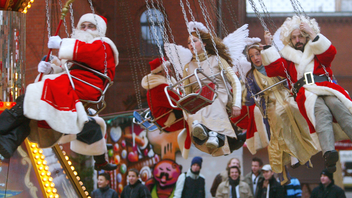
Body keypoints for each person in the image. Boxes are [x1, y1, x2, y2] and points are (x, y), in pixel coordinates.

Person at [0, 13, 118, 170]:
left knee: (36, 92)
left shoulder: (104, 45)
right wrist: (51, 69)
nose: (85, 29)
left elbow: (88, 53)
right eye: (82, 26)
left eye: (91, 26)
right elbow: (66, 70)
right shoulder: (79, 49)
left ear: (99, 30)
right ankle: (8, 141)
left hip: (85, 86)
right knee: (36, 107)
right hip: (72, 83)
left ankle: (3, 124)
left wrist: (62, 43)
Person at [261, 15, 352, 173]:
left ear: (306, 36)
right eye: (294, 37)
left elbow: (330, 53)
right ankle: (329, 153)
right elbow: (272, 69)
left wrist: (312, 33)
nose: (297, 40)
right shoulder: (288, 60)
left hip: (325, 86)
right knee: (321, 111)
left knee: (337, 104)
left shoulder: (317, 52)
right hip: (305, 93)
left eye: (301, 36)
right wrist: (268, 47)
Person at [246, 39, 318, 179]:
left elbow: (286, 74)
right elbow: (249, 97)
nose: (256, 58)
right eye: (252, 56)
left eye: (257, 54)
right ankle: (291, 154)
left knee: (294, 108)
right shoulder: (250, 76)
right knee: (279, 119)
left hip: (285, 94)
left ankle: (307, 144)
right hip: (270, 102)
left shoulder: (272, 65)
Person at [183, 21, 245, 156]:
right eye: (189, 43)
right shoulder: (188, 67)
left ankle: (214, 133)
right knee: (194, 107)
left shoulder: (216, 59)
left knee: (211, 100)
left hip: (218, 95)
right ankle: (206, 132)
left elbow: (235, 80)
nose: (191, 45)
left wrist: (236, 104)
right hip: (199, 100)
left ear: (204, 43)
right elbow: (186, 95)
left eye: (194, 41)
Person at [141, 57, 185, 132]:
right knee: (198, 117)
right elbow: (179, 102)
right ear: (160, 72)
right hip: (171, 122)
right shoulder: (159, 88)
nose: (171, 71)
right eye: (168, 69)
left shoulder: (160, 83)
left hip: (172, 115)